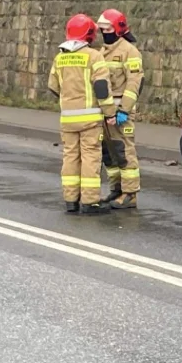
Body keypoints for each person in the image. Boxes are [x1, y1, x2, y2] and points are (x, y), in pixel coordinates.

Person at [48, 14, 118, 215]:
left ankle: (71, 200)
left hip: (68, 119)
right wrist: (110, 112)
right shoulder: (93, 56)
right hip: (89, 120)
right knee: (90, 159)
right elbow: (102, 89)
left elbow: (53, 86)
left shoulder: (59, 57)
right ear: (89, 34)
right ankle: (89, 202)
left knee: (70, 157)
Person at [96, 9, 144, 209]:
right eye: (101, 30)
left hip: (121, 113)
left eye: (107, 29)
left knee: (124, 152)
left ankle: (130, 194)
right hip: (105, 113)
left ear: (118, 29)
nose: (104, 33)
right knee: (109, 153)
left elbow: (134, 83)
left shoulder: (129, 52)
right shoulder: (101, 51)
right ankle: (116, 189)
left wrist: (124, 109)